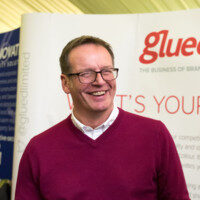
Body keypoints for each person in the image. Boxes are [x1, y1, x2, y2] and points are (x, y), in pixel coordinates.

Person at [15, 36, 190, 200]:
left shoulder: (154, 135)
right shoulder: (38, 150)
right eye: (86, 73)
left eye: (106, 71)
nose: (99, 81)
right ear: (65, 83)